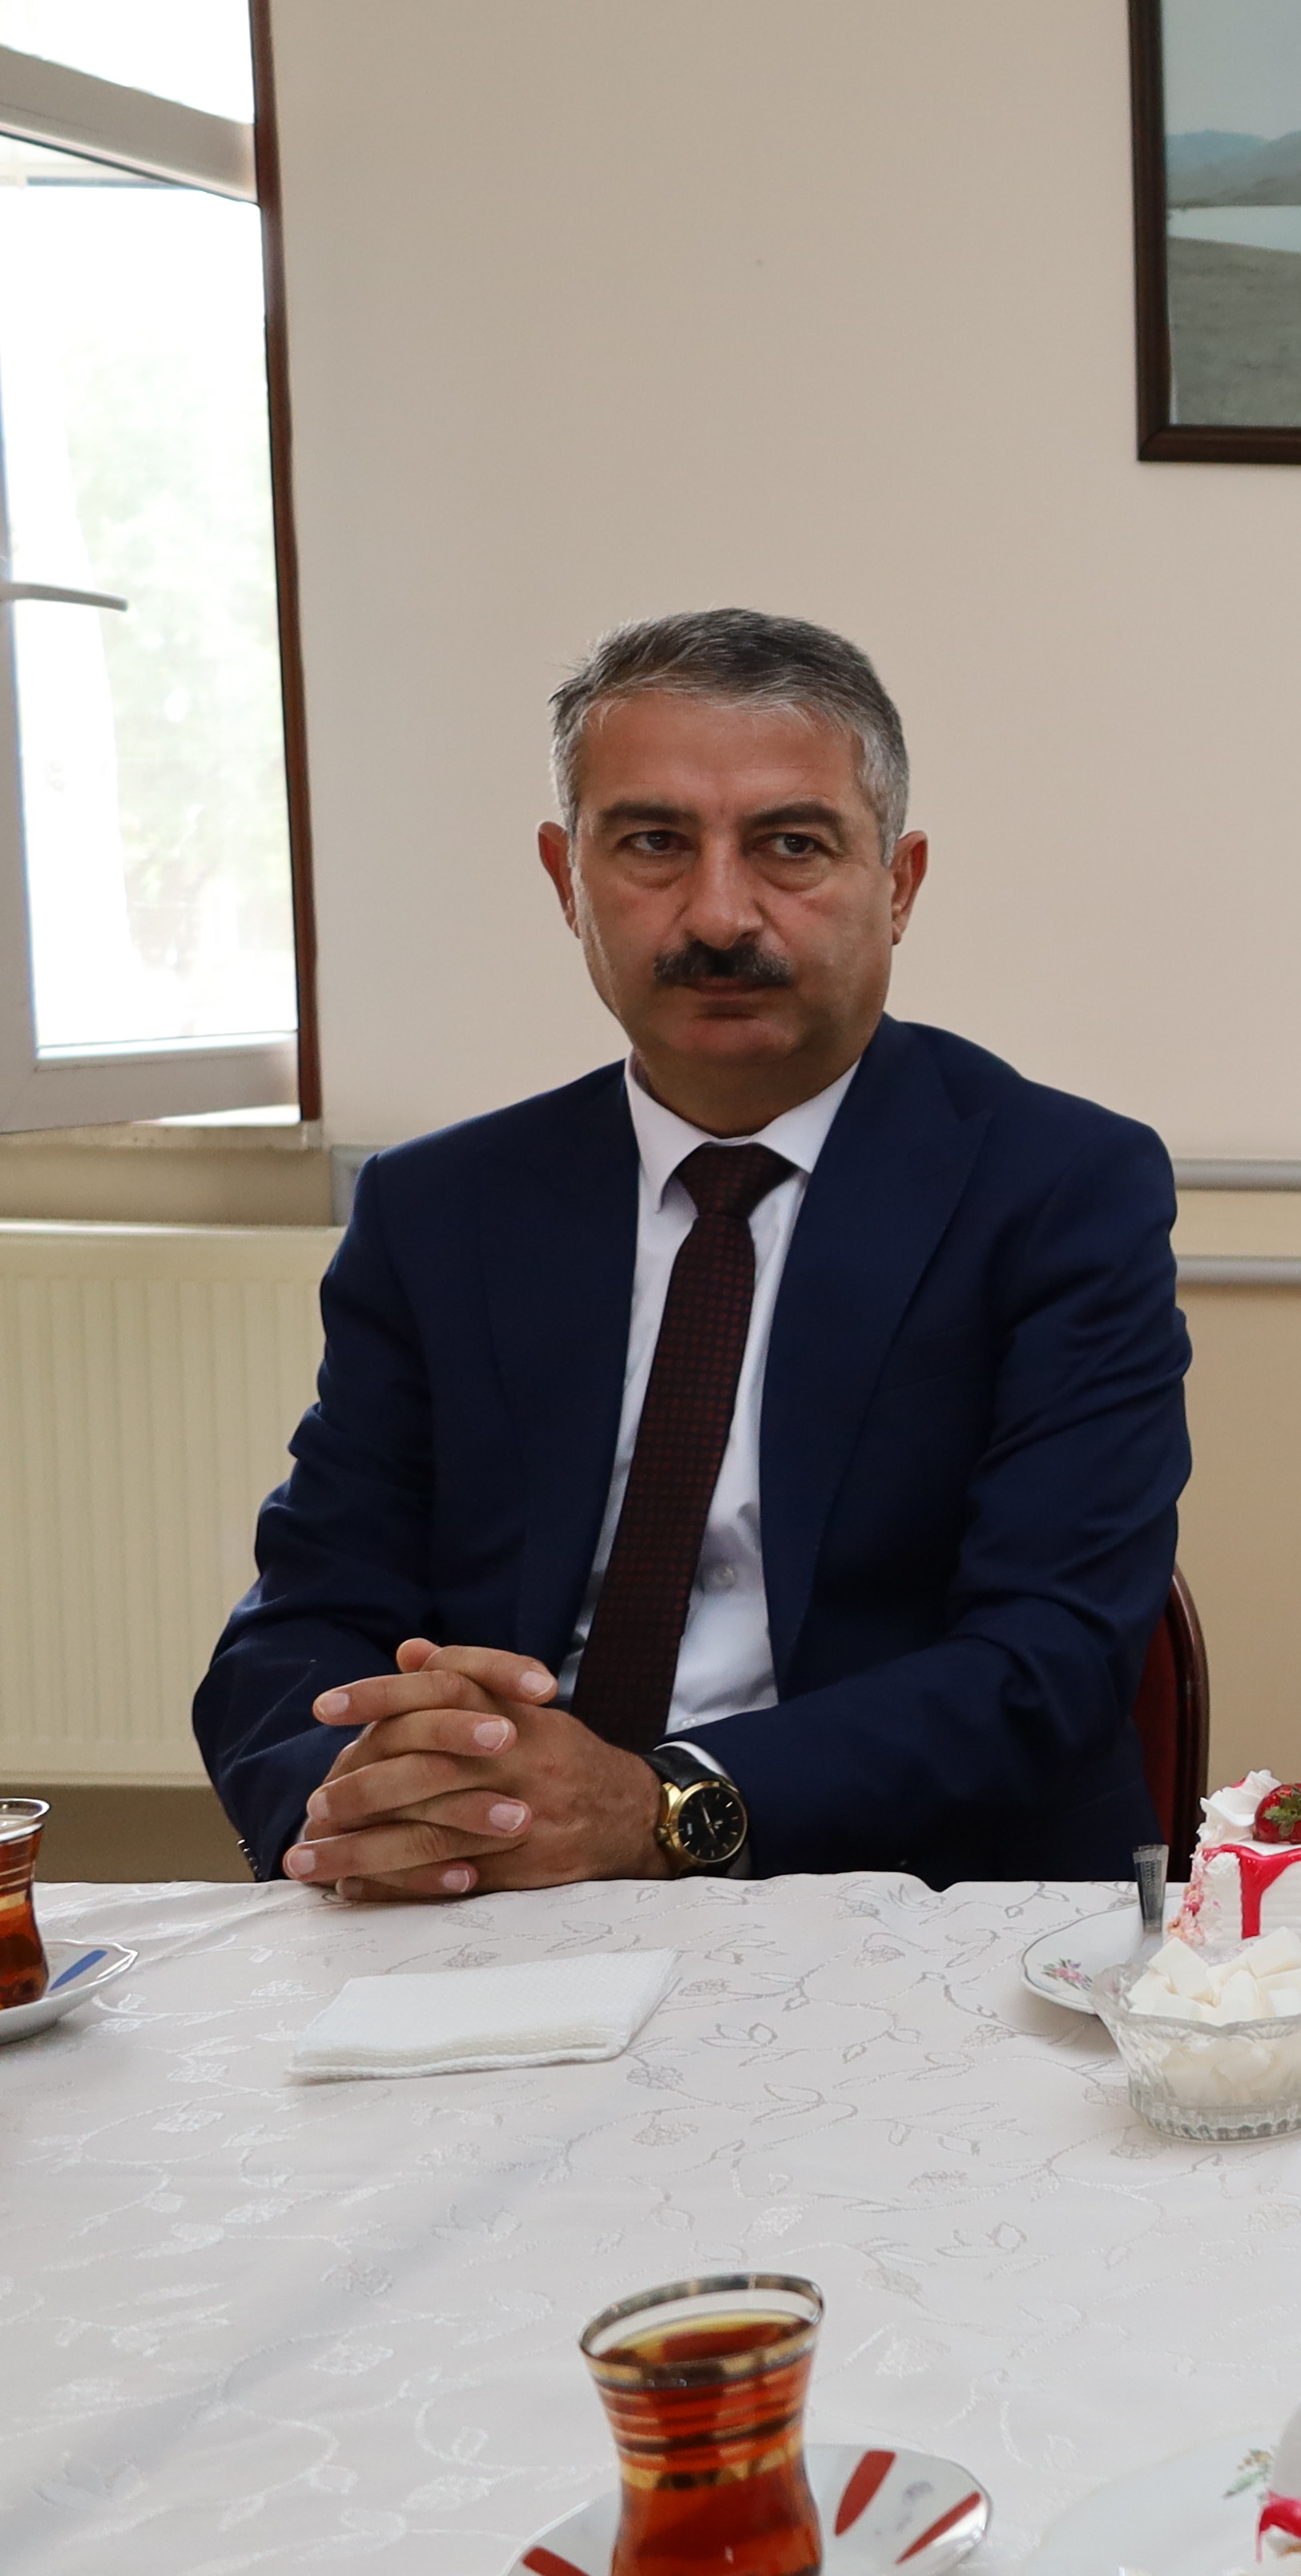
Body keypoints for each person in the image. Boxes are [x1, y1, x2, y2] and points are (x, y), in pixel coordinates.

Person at [194, 611, 1190, 1892]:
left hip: (902, 1894)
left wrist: (658, 1807)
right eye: (655, 843)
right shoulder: (441, 1208)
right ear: (566, 877)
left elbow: (1047, 1659)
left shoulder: (1060, 1190)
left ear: (898, 884)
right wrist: (365, 1805)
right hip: (487, 1890)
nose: (720, 915)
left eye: (792, 846)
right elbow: (304, 1622)